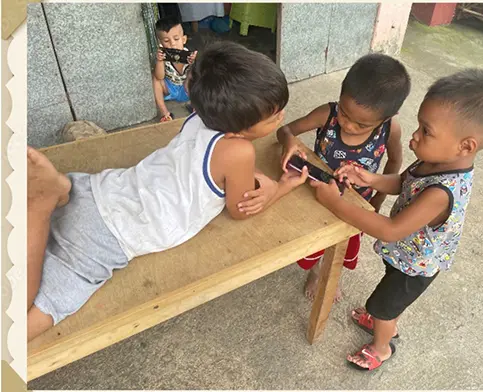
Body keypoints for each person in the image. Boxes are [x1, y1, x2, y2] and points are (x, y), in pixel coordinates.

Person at [27, 41, 309, 341]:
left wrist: (246, 174)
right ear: (238, 129)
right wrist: (280, 188)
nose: (282, 117)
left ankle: (59, 189)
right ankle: (40, 209)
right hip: (107, 236)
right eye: (274, 116)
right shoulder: (239, 151)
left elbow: (214, 162)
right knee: (28, 321)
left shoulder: (201, 116)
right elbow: (240, 210)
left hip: (97, 189)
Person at [310, 69, 483, 371]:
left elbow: (390, 230)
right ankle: (384, 320)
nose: (415, 136)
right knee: (388, 299)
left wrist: (335, 203)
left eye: (425, 131)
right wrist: (368, 177)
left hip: (416, 267)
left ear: (466, 145)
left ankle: (381, 347)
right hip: (406, 255)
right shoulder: (435, 160)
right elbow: (402, 182)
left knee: (382, 304)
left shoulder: (441, 193)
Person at [276, 54, 410, 302]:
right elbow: (284, 130)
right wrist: (290, 141)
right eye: (345, 114)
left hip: (357, 203)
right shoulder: (327, 114)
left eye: (361, 125)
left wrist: (377, 200)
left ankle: (332, 274)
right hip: (318, 193)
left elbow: (394, 163)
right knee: (314, 240)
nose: (348, 125)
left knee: (343, 244)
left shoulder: (391, 129)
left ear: (387, 117)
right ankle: (317, 271)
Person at [153, 18, 197, 122]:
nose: (172, 44)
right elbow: (160, 77)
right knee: (155, 78)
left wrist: (193, 64)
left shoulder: (188, 55)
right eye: (166, 41)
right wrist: (159, 61)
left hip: (187, 91)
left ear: (184, 39)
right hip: (169, 89)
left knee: (195, 75)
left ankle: (196, 107)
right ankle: (165, 113)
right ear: (160, 43)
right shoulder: (162, 56)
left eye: (176, 39)